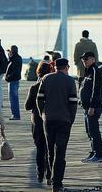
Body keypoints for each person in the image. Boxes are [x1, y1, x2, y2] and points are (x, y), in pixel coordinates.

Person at [37, 58, 78, 192]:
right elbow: (73, 102)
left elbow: (39, 98)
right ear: (66, 67)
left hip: (48, 119)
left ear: (55, 66)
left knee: (50, 151)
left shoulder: (46, 78)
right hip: (64, 120)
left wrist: (42, 113)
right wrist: (71, 119)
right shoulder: (70, 81)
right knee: (60, 152)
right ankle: (57, 184)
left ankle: (51, 177)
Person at [25, 61, 52, 185]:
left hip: (37, 121)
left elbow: (27, 106)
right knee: (50, 148)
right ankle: (50, 174)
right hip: (51, 119)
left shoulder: (34, 87)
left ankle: (40, 173)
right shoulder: (53, 86)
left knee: (40, 148)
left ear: (38, 72)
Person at [79, 51, 102, 163]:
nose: (84, 61)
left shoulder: (95, 71)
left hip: (93, 107)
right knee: (89, 132)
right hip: (86, 107)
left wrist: (92, 106)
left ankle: (99, 155)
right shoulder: (88, 71)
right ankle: (93, 152)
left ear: (93, 59)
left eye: (86, 59)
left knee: (94, 131)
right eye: (83, 59)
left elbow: (96, 89)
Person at [5, 45, 22, 120]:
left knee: (13, 99)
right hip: (15, 80)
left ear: (12, 51)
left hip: (13, 81)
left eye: (10, 51)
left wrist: (8, 77)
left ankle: (15, 115)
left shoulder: (15, 59)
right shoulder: (16, 58)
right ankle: (15, 114)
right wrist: (9, 56)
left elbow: (16, 71)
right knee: (14, 98)